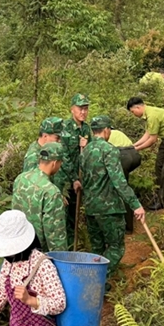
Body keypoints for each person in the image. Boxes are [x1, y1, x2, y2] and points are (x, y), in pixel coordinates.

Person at [80, 115, 146, 277]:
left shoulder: (85, 150)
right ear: (106, 130)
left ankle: (94, 279)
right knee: (116, 247)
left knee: (97, 248)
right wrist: (135, 205)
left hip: (90, 207)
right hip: (109, 208)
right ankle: (98, 278)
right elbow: (119, 181)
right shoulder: (109, 150)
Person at [127, 97, 164, 209]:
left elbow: (152, 140)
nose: (133, 114)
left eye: (132, 111)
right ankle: (159, 194)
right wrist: (134, 146)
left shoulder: (152, 116)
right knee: (159, 166)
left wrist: (136, 149)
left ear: (138, 107)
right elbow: (148, 133)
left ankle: (163, 201)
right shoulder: (149, 113)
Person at [12, 142, 68, 252]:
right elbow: (55, 234)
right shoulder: (51, 192)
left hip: (18, 245)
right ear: (54, 163)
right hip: (38, 252)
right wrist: (61, 256)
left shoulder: (20, 179)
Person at [61, 93, 92, 246]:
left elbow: (90, 153)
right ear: (72, 109)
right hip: (66, 180)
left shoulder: (86, 128)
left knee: (75, 212)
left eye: (85, 109)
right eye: (80, 109)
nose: (83, 112)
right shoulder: (65, 128)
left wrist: (86, 147)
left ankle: (75, 243)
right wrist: (74, 178)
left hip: (80, 178)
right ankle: (66, 246)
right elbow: (64, 156)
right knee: (65, 215)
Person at [23, 117, 67, 194]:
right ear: (45, 136)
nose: (59, 141)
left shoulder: (49, 150)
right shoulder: (33, 157)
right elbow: (32, 188)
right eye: (57, 138)